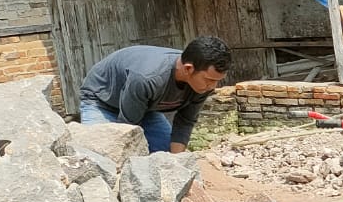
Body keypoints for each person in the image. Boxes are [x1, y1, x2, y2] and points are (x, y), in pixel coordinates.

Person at [78, 36, 230, 153]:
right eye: (209, 80)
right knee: (102, 155)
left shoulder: (202, 86)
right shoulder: (148, 78)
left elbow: (185, 121)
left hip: (143, 108)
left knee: (167, 155)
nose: (213, 86)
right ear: (188, 69)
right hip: (101, 100)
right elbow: (126, 129)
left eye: (217, 81)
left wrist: (177, 164)